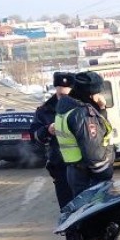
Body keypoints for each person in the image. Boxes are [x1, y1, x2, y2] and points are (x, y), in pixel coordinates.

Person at [55, 71, 115, 197]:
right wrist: (106, 172)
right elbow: (93, 152)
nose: (99, 95)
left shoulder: (66, 106)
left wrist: (101, 109)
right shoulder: (82, 113)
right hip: (90, 177)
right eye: (97, 92)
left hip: (76, 171)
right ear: (90, 94)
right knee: (97, 213)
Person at [33, 71, 75, 208]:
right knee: (67, 208)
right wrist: (47, 130)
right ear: (55, 90)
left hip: (84, 166)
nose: (63, 99)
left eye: (67, 95)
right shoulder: (45, 110)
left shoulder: (83, 106)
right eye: (60, 95)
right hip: (60, 167)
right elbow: (34, 136)